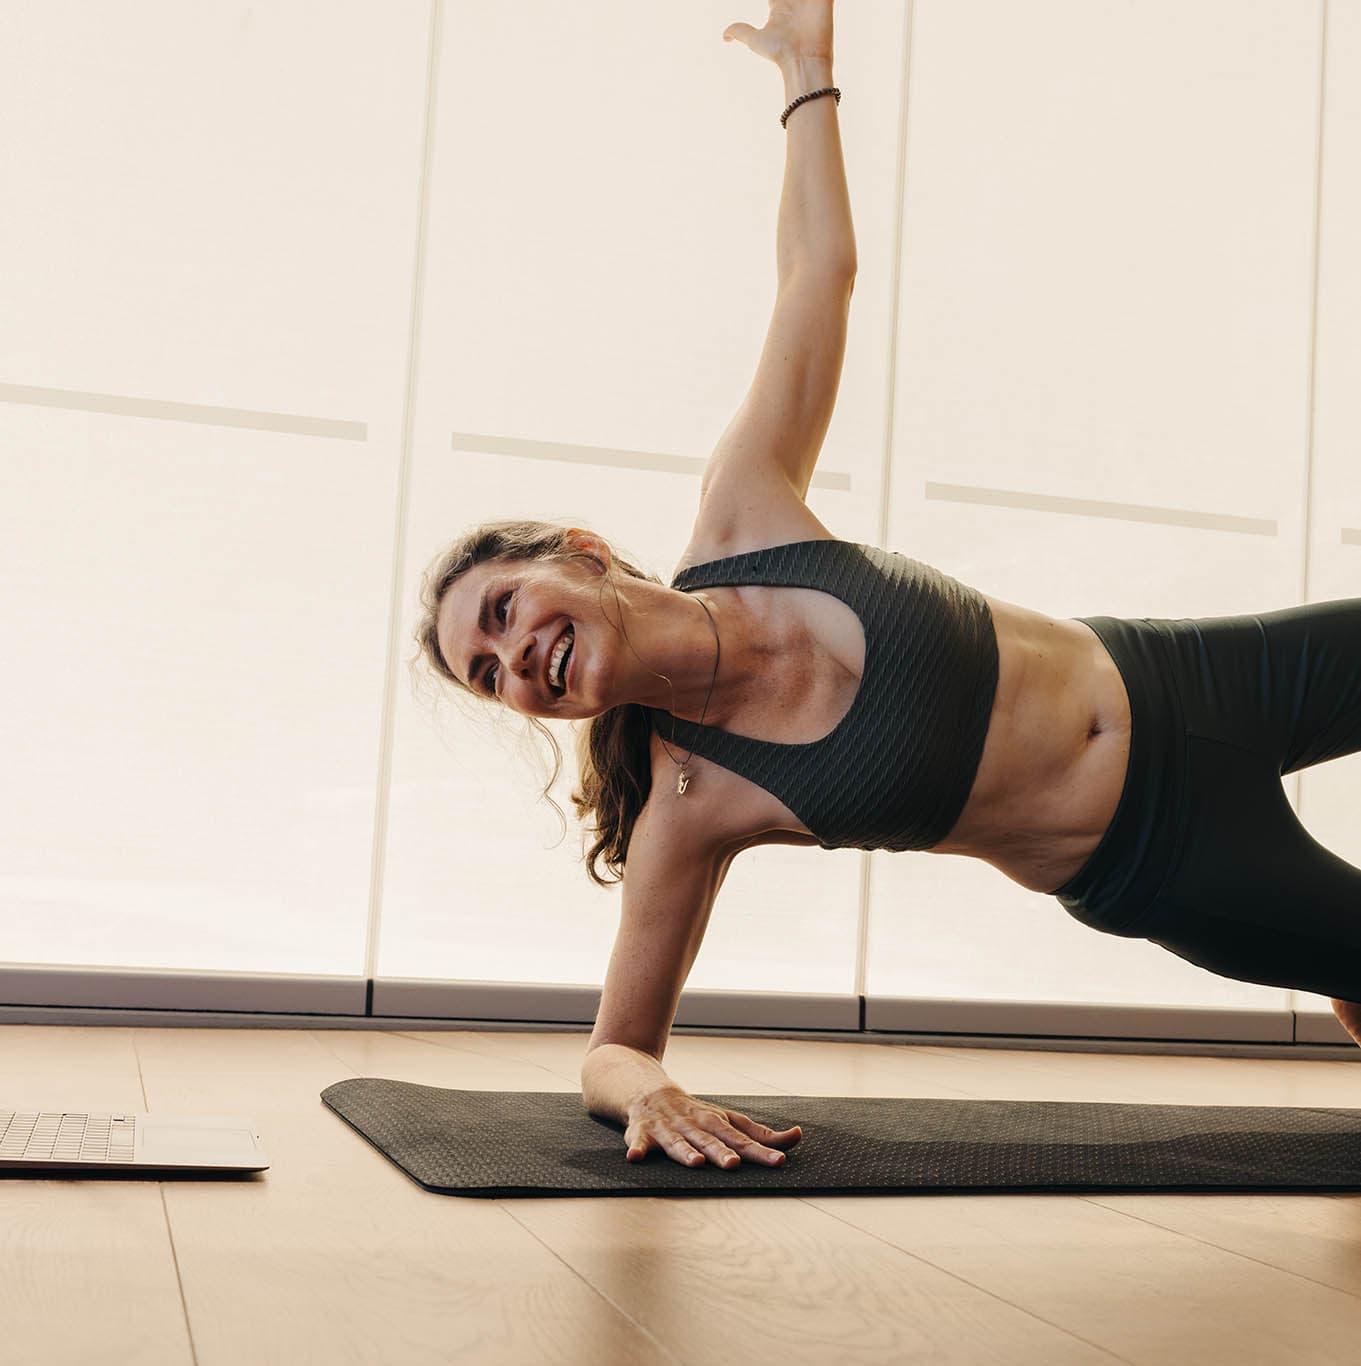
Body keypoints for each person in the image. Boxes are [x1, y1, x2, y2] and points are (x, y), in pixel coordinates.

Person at [415, 1, 1361, 1173]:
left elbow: (821, 270)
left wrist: (805, 70)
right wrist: (645, 1095)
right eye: (490, 674)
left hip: (1195, 672)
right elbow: (614, 1044)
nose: (515, 662)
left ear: (580, 550)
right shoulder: (691, 803)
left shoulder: (747, 511)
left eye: (501, 613)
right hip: (1158, 855)